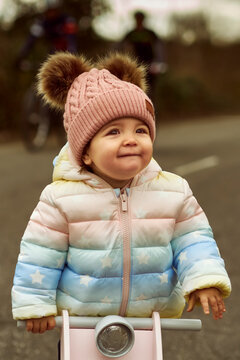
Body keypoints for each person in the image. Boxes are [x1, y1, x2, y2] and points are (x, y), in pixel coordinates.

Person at [11, 52, 231, 334]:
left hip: (146, 324)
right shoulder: (60, 198)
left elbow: (193, 239)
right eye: (113, 132)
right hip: (84, 323)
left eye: (140, 130)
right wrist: (34, 303)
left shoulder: (173, 190)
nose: (130, 139)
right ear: (85, 153)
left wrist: (205, 279)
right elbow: (40, 253)